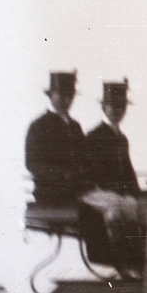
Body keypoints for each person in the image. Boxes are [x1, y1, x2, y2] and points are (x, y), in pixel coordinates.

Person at [24, 71, 89, 206]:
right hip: (51, 192)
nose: (66, 100)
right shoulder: (39, 125)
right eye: (61, 95)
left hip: (78, 189)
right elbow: (33, 163)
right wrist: (62, 174)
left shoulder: (75, 126)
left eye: (70, 95)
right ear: (51, 95)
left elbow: (85, 157)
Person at [83, 80, 139, 195]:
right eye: (113, 105)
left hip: (123, 195)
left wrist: (136, 193)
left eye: (121, 106)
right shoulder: (94, 136)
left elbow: (128, 170)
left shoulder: (122, 139)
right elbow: (96, 171)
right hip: (104, 194)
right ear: (104, 107)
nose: (118, 110)